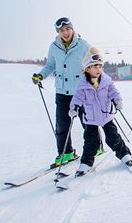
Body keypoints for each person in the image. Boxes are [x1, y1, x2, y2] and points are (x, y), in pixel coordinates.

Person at [31, 17, 93, 168]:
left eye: (67, 29)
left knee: (88, 122)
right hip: (62, 91)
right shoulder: (54, 47)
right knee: (61, 124)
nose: (65, 33)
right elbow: (50, 65)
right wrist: (41, 75)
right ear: (58, 32)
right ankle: (66, 153)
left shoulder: (83, 45)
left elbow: (94, 62)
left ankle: (95, 146)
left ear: (72, 29)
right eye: (61, 30)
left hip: (81, 90)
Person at [69, 47, 132, 176]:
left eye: (100, 66)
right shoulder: (82, 85)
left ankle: (125, 155)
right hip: (90, 118)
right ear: (87, 69)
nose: (98, 69)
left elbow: (114, 92)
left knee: (113, 138)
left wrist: (117, 100)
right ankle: (86, 163)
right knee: (90, 141)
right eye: (95, 66)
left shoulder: (107, 81)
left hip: (106, 115)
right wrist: (74, 107)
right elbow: (77, 98)